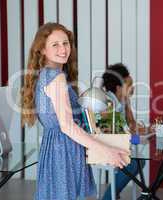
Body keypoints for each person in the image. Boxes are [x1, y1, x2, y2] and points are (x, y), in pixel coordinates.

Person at [21, 22, 129, 200]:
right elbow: (67, 126)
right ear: (42, 50)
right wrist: (106, 150)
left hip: (56, 149)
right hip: (65, 151)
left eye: (65, 43)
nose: (63, 49)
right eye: (55, 44)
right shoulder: (56, 78)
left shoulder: (45, 75)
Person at [101, 63, 148, 200]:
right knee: (133, 162)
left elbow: (131, 126)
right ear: (118, 88)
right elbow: (115, 135)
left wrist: (148, 130)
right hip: (104, 147)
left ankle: (115, 193)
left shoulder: (121, 102)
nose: (132, 88)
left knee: (139, 161)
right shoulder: (108, 102)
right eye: (129, 85)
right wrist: (137, 139)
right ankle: (108, 197)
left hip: (117, 145)